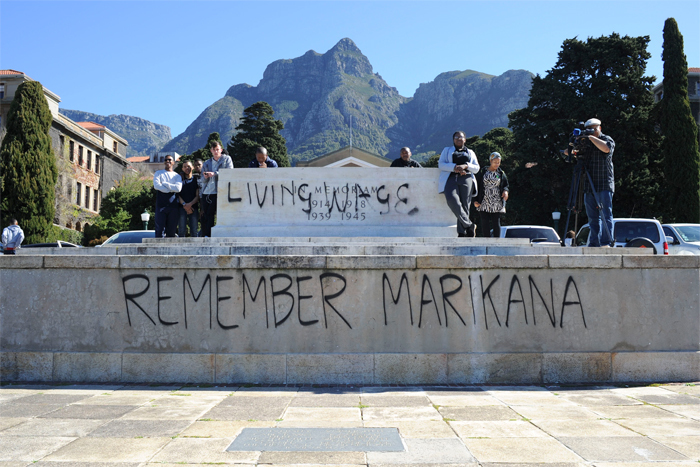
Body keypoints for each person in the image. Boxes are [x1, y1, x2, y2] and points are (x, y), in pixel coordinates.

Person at [565, 118, 616, 247]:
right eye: (589, 129)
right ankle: (594, 242)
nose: (592, 131)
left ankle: (606, 242)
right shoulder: (586, 143)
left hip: (604, 183)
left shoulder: (606, 139)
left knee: (606, 215)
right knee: (593, 217)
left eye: (594, 129)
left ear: (600, 128)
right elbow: (571, 153)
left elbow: (606, 149)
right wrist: (573, 145)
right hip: (589, 184)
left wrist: (591, 138)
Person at [438, 131, 480, 237]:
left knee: (465, 205)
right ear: (453, 140)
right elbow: (441, 164)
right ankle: (469, 225)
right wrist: (455, 167)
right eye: (456, 137)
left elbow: (476, 168)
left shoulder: (470, 152)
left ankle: (462, 232)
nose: (458, 139)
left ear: (465, 139)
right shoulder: (447, 150)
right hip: (451, 178)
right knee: (452, 200)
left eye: (461, 137)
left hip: (466, 178)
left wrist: (466, 166)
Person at [200, 141, 233, 237]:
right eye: (214, 150)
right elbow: (202, 179)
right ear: (211, 151)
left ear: (221, 150)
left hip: (220, 191)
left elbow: (230, 172)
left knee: (217, 214)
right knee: (207, 215)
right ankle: (207, 235)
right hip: (207, 192)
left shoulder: (226, 159)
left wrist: (215, 174)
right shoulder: (207, 163)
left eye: (217, 149)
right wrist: (206, 177)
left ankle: (219, 234)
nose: (216, 152)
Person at [474, 152, 509, 238]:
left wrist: (505, 191)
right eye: (495, 162)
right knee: (484, 221)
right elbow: (476, 186)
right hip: (484, 199)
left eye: (498, 162)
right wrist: (475, 200)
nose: (497, 164)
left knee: (496, 221)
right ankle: (486, 239)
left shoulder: (500, 173)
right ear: (490, 161)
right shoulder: (483, 172)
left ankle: (497, 240)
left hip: (496, 200)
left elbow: (505, 185)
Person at [153, 155, 183, 238]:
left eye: (170, 160)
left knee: (171, 231)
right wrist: (171, 189)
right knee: (159, 230)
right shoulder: (158, 173)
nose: (167, 161)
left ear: (173, 162)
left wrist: (165, 184)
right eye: (166, 160)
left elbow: (178, 188)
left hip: (173, 206)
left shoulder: (177, 176)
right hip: (161, 206)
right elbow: (157, 186)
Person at [178, 161, 199, 237]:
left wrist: (190, 205)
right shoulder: (180, 180)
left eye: (189, 166)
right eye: (185, 166)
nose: (187, 168)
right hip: (181, 208)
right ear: (182, 168)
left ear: (192, 167)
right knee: (181, 231)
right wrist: (185, 205)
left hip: (194, 208)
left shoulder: (196, 180)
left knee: (194, 231)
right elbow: (177, 194)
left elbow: (197, 195)